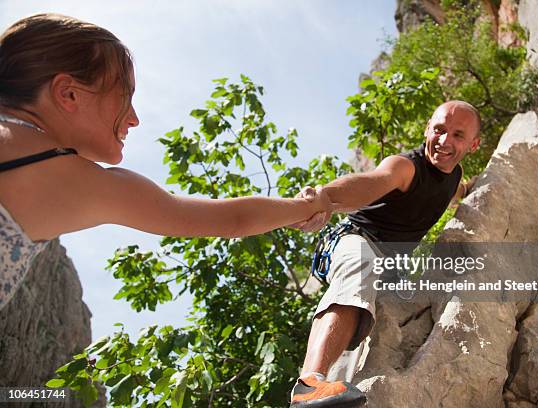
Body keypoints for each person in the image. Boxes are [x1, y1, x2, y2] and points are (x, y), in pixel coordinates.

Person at [0, 13, 331, 312]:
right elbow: (234, 219)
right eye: (124, 97)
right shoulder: (69, 178)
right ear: (68, 94)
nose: (134, 119)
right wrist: (304, 208)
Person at [289, 100, 481, 407]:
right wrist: (325, 197)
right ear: (426, 130)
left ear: (474, 144)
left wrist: (476, 188)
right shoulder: (405, 167)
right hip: (357, 240)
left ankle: (329, 397)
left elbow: (456, 190)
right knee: (360, 270)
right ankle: (308, 385)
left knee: (366, 340)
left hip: (391, 268)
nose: (445, 141)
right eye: (439, 130)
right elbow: (370, 184)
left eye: (458, 135)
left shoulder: (454, 177)